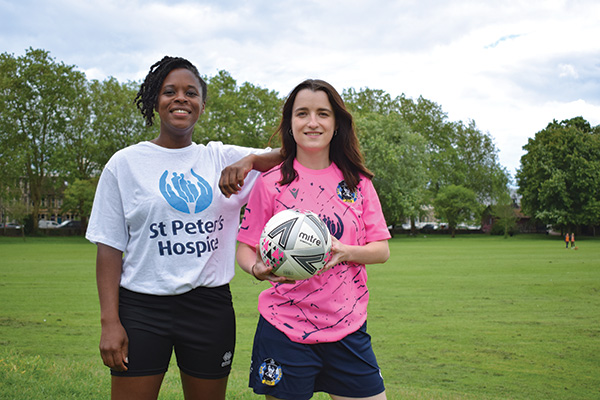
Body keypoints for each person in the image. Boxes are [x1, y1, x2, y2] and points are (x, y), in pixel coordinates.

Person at [86, 56, 282, 400]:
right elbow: (109, 248)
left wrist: (250, 160)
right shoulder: (125, 163)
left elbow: (292, 155)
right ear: (155, 102)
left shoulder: (221, 158)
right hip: (141, 309)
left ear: (202, 106)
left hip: (209, 308)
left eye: (191, 92)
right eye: (169, 91)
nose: (181, 98)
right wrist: (109, 322)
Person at [236, 79, 391, 400]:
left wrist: (344, 251)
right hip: (284, 329)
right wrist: (256, 269)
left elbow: (381, 250)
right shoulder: (269, 183)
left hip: (347, 327)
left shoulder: (358, 182)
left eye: (323, 113)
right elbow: (245, 248)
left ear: (336, 125)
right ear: (290, 124)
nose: (312, 122)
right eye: (302, 113)